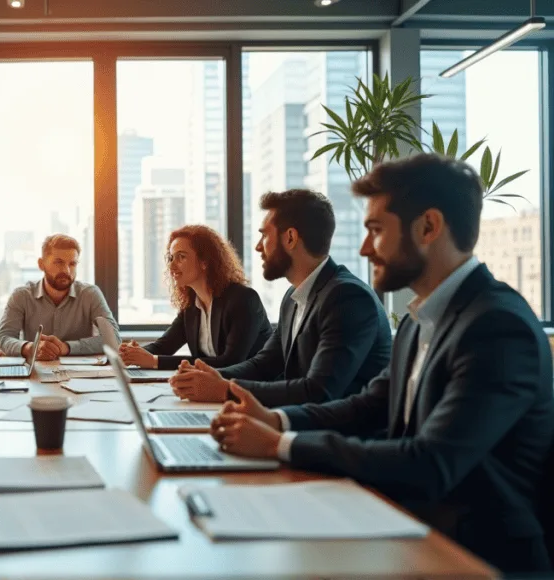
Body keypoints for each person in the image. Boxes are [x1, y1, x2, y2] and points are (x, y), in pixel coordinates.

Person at [210, 154, 554, 576]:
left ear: (428, 227)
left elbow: (429, 463)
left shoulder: (497, 328)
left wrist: (278, 445)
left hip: (474, 557)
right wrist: (277, 421)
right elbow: (365, 406)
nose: (363, 247)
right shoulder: (417, 321)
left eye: (376, 229)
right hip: (405, 527)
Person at [169, 189, 391, 407]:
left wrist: (225, 389)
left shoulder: (347, 298)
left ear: (291, 237)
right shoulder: (293, 297)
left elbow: (318, 391)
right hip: (301, 424)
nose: (258, 247)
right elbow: (264, 364)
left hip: (338, 436)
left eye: (264, 235)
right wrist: (210, 376)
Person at [119, 224, 272, 370]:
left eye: (181, 257)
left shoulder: (243, 300)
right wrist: (131, 354)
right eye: (171, 258)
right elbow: (164, 346)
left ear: (204, 262)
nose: (172, 266)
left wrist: (154, 361)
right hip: (213, 388)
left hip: (253, 390)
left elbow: (230, 361)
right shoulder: (192, 307)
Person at [0, 234, 119, 361]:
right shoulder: (22, 296)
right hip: (36, 374)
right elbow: (3, 338)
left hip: (81, 376)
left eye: (72, 264)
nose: (66, 270)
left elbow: (114, 338)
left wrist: (66, 348)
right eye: (59, 262)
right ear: (41, 264)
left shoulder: (90, 294)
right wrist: (31, 348)